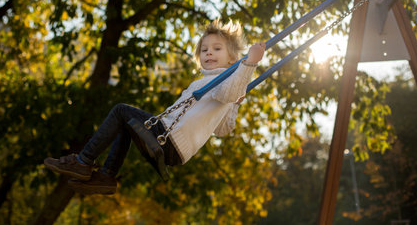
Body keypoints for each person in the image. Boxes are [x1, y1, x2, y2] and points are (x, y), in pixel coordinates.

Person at [44, 19, 265, 195]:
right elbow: (222, 128)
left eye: (217, 49)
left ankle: (83, 161)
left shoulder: (223, 81)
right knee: (126, 124)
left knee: (121, 110)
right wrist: (234, 102)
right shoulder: (213, 84)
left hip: (168, 139)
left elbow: (229, 100)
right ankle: (107, 177)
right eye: (204, 49)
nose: (208, 53)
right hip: (172, 148)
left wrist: (250, 64)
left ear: (232, 59)